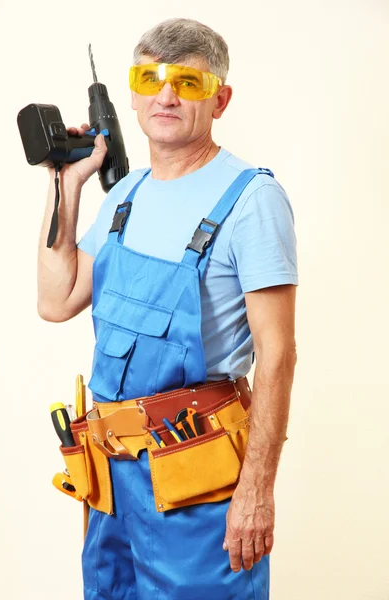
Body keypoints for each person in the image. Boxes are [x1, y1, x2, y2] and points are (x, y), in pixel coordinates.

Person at [38, 17, 298, 600]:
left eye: (188, 80)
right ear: (130, 93)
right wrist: (67, 185)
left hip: (195, 480)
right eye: (150, 77)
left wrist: (257, 491)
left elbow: (278, 356)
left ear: (219, 99)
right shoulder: (124, 194)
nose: (166, 94)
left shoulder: (252, 200)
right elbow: (56, 301)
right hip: (110, 479)